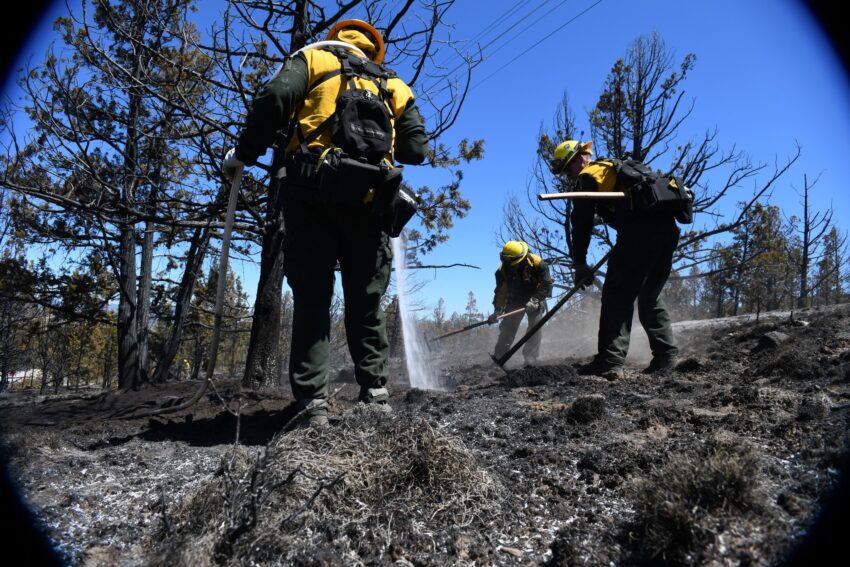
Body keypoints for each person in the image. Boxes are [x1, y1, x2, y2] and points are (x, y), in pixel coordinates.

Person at [223, 20, 428, 426]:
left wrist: (244, 153)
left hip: (311, 195)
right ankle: (375, 396)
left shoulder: (313, 58)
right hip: (369, 201)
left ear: (338, 38)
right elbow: (417, 150)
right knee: (367, 301)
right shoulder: (393, 83)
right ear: (373, 50)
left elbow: (276, 96)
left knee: (314, 298)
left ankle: (313, 405)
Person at [552, 140, 680, 380]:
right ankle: (667, 356)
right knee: (649, 294)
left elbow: (581, 223)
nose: (569, 177)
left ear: (580, 158)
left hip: (639, 235)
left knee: (616, 295)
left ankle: (610, 362)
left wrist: (579, 263)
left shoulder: (588, 176)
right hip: (667, 233)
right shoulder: (617, 168)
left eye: (568, 169)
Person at [488, 241, 553, 364]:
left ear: (520, 258)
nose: (508, 264)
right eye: (505, 259)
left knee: (535, 325)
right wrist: (497, 310)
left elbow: (547, 284)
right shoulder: (502, 271)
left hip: (536, 297)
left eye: (510, 260)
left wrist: (535, 300)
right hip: (515, 299)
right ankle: (499, 357)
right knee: (508, 326)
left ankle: (530, 358)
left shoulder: (537, 263)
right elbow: (501, 292)